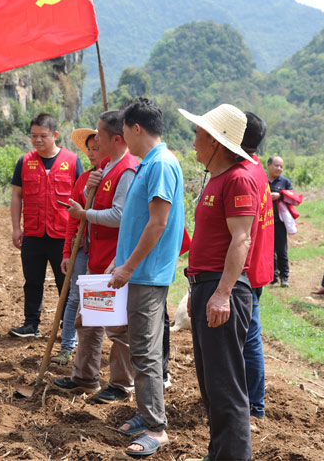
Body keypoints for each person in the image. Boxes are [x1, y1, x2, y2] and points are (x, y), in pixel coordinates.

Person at [102, 98, 184, 457]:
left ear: (136, 129)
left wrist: (130, 267)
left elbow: (158, 223)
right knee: (138, 345)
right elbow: (138, 222)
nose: (122, 139)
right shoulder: (149, 163)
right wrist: (119, 262)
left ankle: (156, 428)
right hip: (139, 271)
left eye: (123, 132)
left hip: (148, 275)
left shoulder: (161, 164)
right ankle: (146, 413)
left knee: (147, 352)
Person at [180, 103, 258, 461]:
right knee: (212, 386)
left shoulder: (239, 178)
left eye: (199, 134)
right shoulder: (217, 178)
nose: (194, 141)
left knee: (226, 389)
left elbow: (242, 238)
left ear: (216, 141)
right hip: (205, 287)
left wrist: (223, 294)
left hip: (221, 289)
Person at [53, 110, 138, 404]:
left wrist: (84, 214)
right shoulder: (104, 168)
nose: (95, 139)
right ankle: (85, 376)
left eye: (99, 135)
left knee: (117, 327)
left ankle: (120, 384)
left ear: (116, 139)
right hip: (97, 257)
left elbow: (120, 215)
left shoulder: (126, 169)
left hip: (115, 259)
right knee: (88, 320)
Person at [9, 112, 83, 337]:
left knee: (66, 283)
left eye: (43, 135)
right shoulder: (24, 161)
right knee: (32, 281)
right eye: (33, 136)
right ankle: (31, 324)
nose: (38, 140)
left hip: (62, 235)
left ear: (55, 135)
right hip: (33, 233)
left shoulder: (71, 160)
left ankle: (67, 327)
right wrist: (16, 227)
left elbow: (81, 196)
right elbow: (17, 196)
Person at [50, 128, 105, 365]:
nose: (91, 154)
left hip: (106, 250)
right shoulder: (84, 179)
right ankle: (66, 347)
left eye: (96, 149)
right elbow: (73, 218)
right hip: (83, 248)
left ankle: (92, 353)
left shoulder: (121, 176)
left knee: (100, 300)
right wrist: (66, 252)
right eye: (89, 150)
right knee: (74, 296)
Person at [239, 112, 275, 420]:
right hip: (257, 266)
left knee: (250, 336)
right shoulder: (256, 169)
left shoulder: (243, 175)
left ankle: (254, 405)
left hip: (247, 270)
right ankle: (250, 400)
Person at [266, 155, 293, 287]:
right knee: (268, 250)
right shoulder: (262, 181)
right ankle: (272, 276)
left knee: (281, 250)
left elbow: (294, 197)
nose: (279, 169)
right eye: (277, 165)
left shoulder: (285, 182)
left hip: (279, 222)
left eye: (281, 166)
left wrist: (280, 195)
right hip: (265, 221)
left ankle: (285, 277)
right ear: (268, 165)